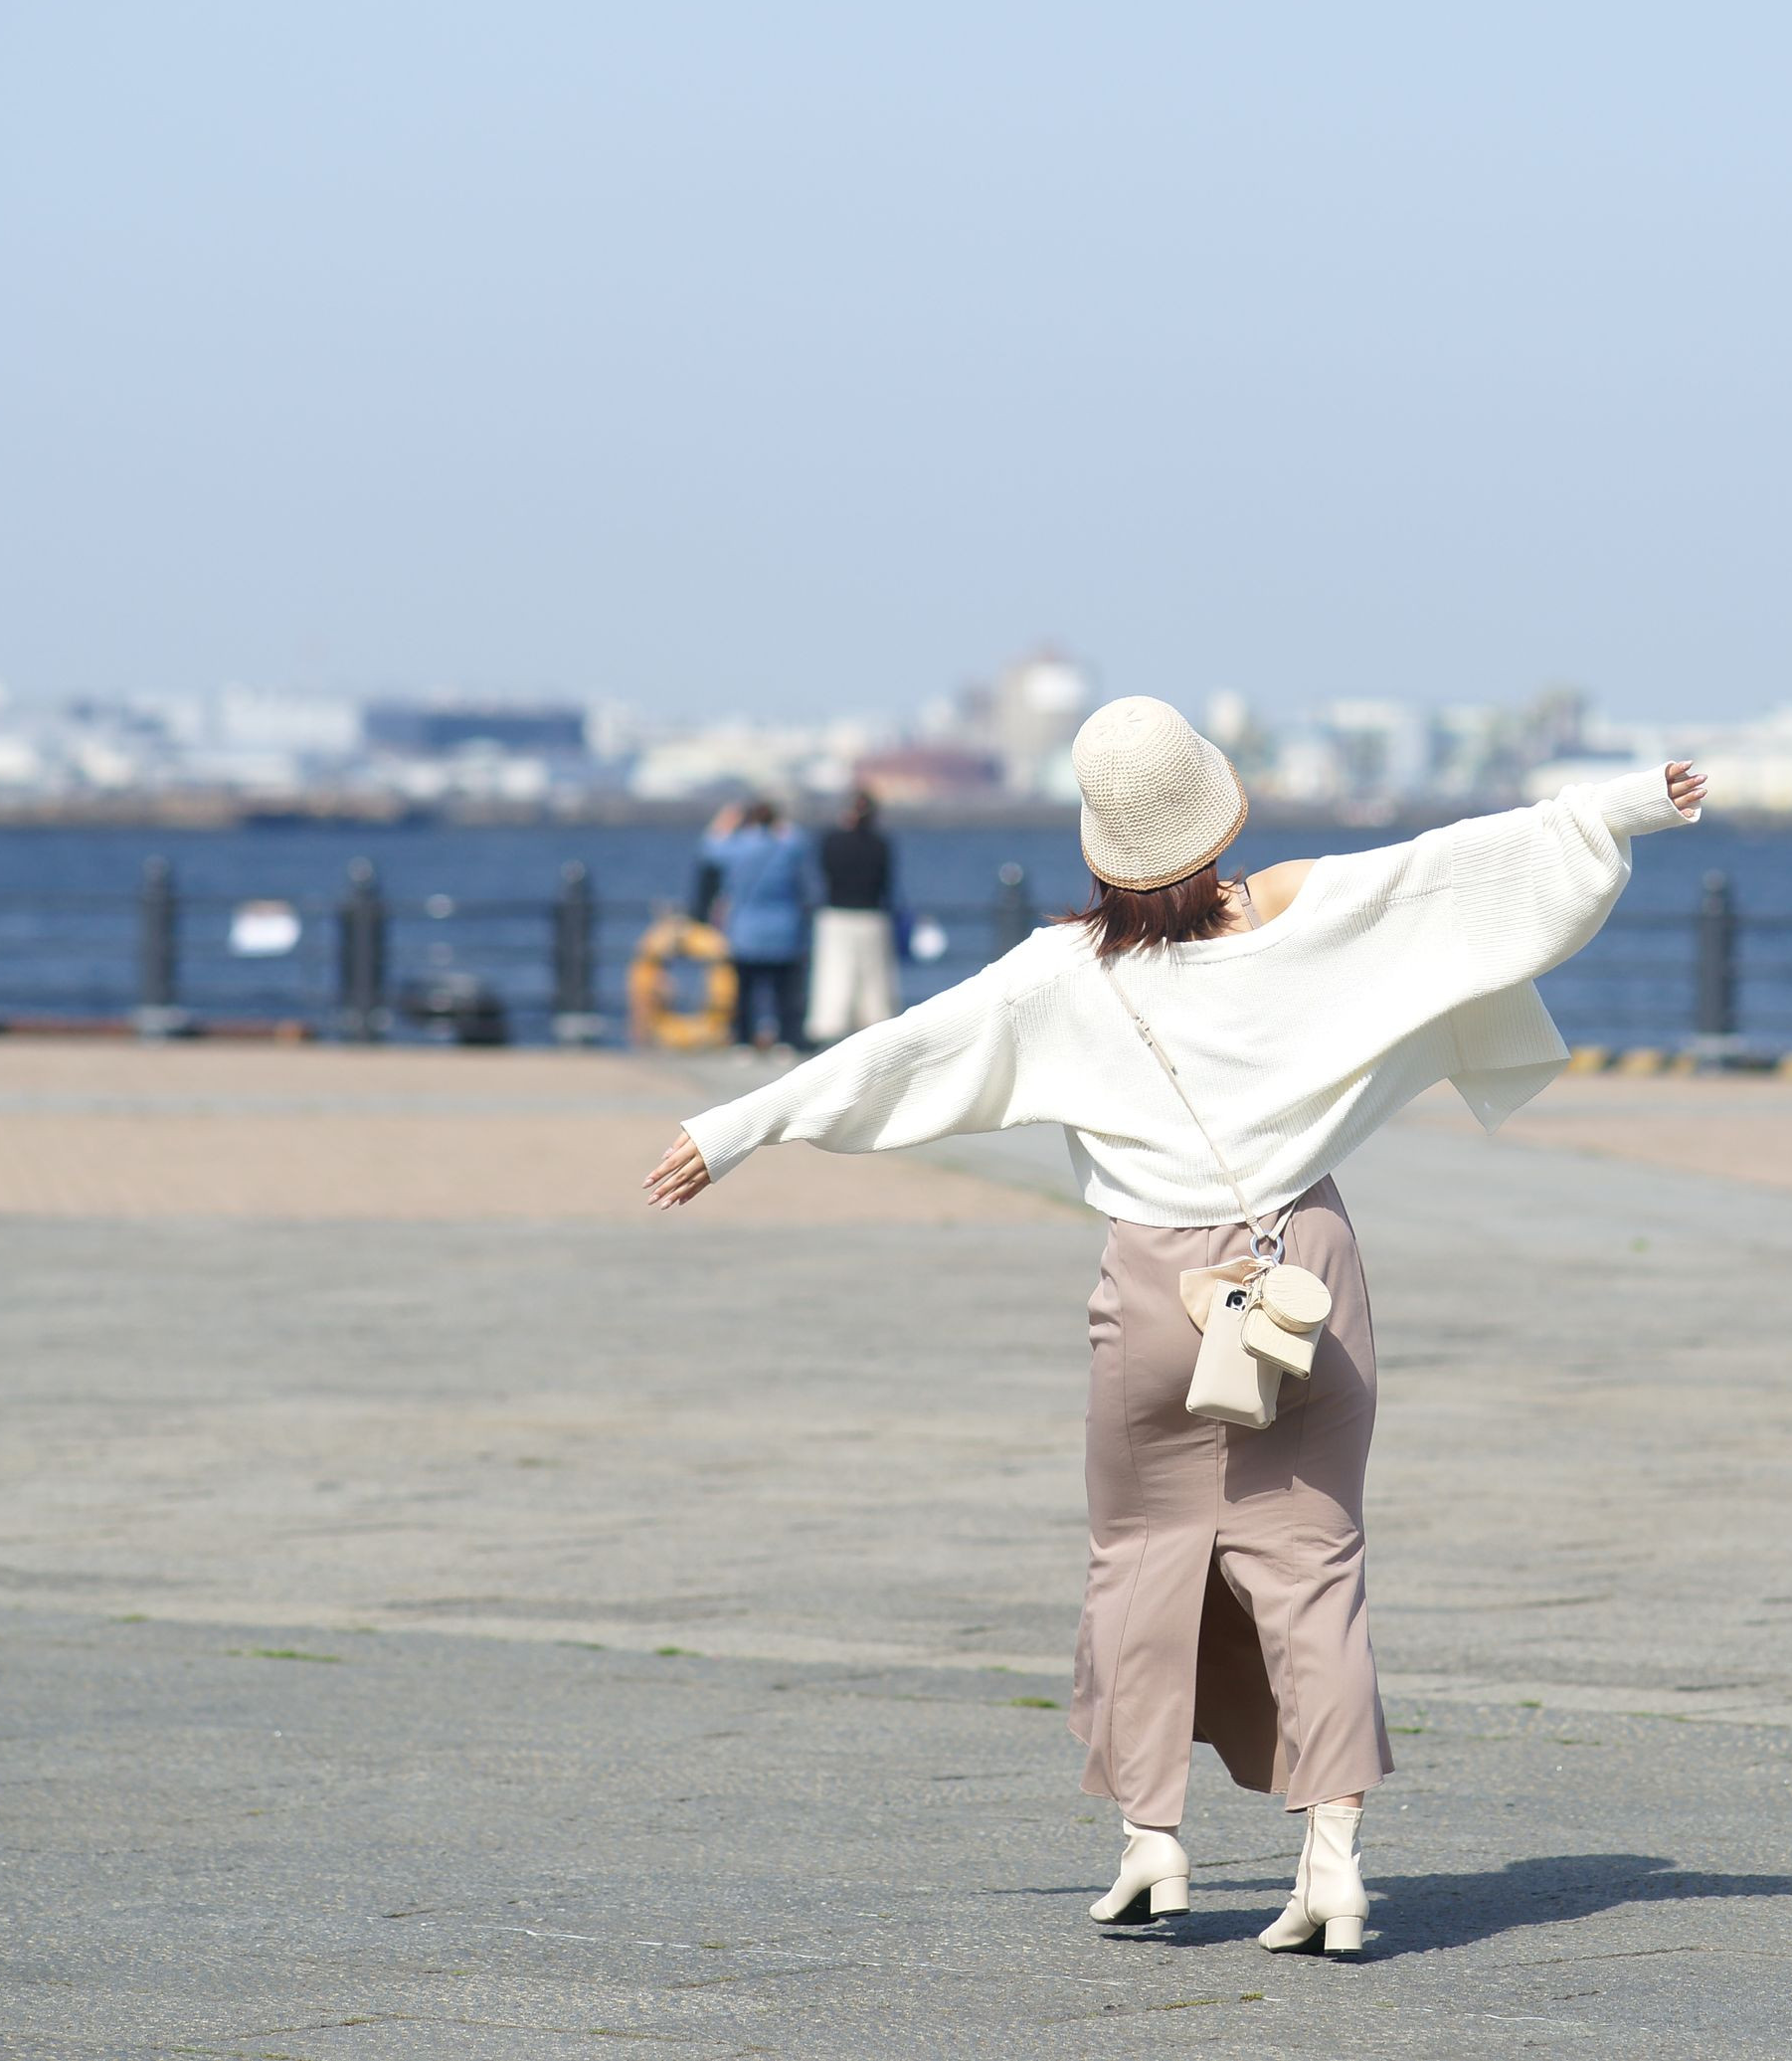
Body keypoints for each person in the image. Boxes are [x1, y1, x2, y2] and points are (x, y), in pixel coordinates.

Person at [644, 698, 1704, 1957]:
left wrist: (735, 1127)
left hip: (1156, 1286)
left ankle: (1151, 1840)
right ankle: (1332, 1858)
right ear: (1215, 811)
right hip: (1297, 1271)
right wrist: (1626, 805)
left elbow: (904, 1050)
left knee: (1140, 1555)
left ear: (1100, 841)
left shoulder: (1060, 972)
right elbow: (1457, 869)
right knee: (1311, 1557)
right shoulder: (1303, 908)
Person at [699, 798, 818, 1056]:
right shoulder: (787, 847)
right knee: (784, 992)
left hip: (745, 931)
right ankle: (786, 1041)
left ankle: (743, 1041)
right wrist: (782, 824)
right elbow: (803, 843)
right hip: (784, 930)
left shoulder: (737, 848)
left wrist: (725, 821)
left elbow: (709, 848)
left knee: (744, 992)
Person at [806, 789, 903, 1045]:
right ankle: (878, 1028)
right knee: (875, 981)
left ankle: (829, 1027)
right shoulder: (880, 845)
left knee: (834, 975)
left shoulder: (832, 841)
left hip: (836, 915)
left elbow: (825, 872)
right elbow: (886, 883)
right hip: (872, 916)